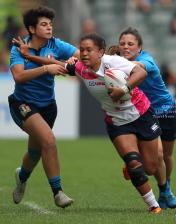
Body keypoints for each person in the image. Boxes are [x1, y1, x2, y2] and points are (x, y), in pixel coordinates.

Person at [13, 33, 163, 213]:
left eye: (88, 50)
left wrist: (123, 89)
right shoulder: (81, 69)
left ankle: (135, 168)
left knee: (150, 168)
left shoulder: (113, 62)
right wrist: (29, 56)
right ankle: (153, 206)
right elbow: (59, 65)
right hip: (117, 123)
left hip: (143, 114)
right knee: (134, 163)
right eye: (81, 50)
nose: (83, 54)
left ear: (100, 53)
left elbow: (141, 72)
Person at [9, 6, 80, 208]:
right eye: (44, 24)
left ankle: (21, 178)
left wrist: (76, 59)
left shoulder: (56, 44)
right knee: (49, 141)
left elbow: (82, 57)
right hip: (22, 104)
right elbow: (19, 76)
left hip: (48, 106)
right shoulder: (19, 47)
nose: (49, 28)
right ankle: (58, 193)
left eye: (50, 24)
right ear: (32, 28)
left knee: (36, 152)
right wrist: (46, 68)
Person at [107, 27, 176, 210]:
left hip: (166, 110)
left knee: (168, 156)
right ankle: (164, 190)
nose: (126, 47)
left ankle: (165, 190)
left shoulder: (145, 60)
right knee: (159, 154)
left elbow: (139, 68)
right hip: (145, 112)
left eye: (131, 44)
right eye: (122, 43)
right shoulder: (117, 63)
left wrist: (118, 61)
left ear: (139, 48)